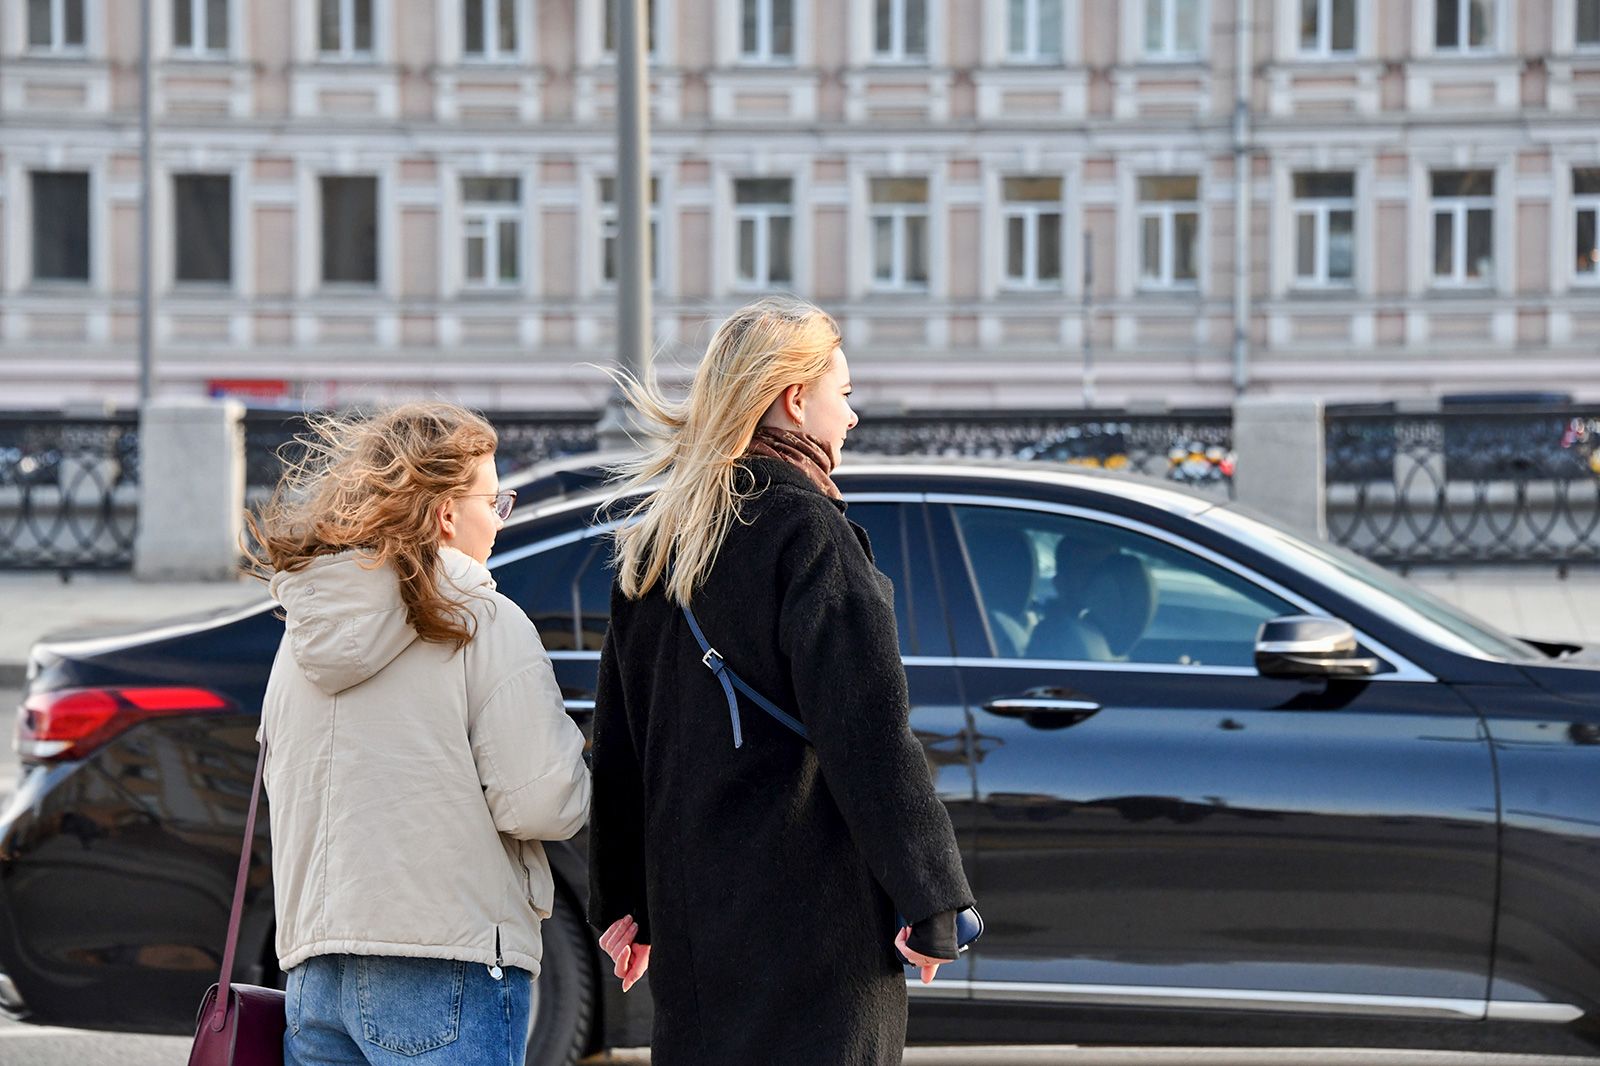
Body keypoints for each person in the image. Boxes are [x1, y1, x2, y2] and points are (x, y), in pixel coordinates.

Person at [588, 297, 975, 1066]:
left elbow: (625, 739)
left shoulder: (664, 538)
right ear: (796, 399)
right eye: (846, 393)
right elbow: (867, 733)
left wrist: (624, 897)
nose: (852, 417)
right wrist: (932, 896)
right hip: (810, 924)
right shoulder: (810, 534)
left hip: (698, 923)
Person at [247, 402, 591, 1066]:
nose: (499, 519)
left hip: (315, 974)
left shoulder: (301, 636)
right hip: (447, 963)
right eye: (494, 500)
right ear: (445, 514)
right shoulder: (483, 620)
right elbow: (542, 802)